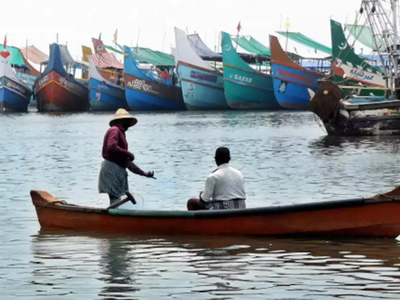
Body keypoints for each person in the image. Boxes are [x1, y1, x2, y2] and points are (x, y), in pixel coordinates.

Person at [98, 108, 154, 205]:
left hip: (117, 169)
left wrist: (144, 173)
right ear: (121, 121)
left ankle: (114, 216)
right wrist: (128, 153)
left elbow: (127, 162)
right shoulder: (115, 130)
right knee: (115, 197)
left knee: (117, 198)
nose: (128, 124)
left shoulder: (121, 133)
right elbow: (112, 146)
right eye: (127, 121)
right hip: (111, 169)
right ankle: (115, 217)